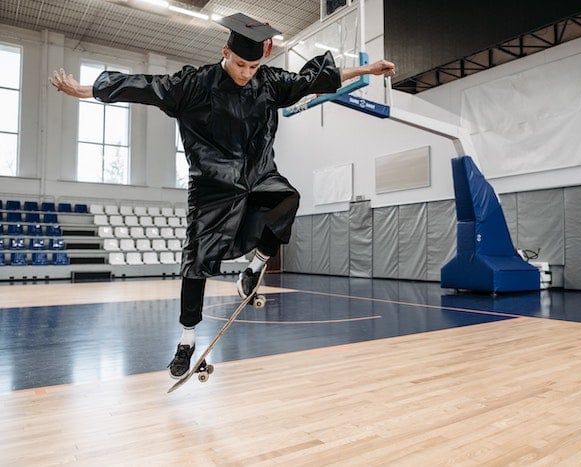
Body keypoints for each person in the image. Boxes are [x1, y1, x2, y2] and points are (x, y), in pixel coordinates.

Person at [49, 12, 395, 379]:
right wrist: (86, 90)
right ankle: (186, 341)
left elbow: (313, 80)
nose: (247, 73)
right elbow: (143, 86)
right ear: (225, 52)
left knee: (287, 199)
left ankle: (254, 266)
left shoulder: (268, 81)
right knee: (195, 264)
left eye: (253, 65)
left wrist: (367, 70)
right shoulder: (194, 84)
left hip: (257, 176)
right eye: (241, 64)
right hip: (213, 187)